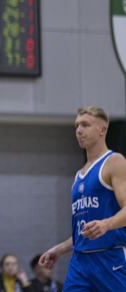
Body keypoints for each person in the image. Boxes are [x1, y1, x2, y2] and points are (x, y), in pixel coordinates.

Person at [39, 107, 126, 292]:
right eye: (77, 125)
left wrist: (107, 224)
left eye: (85, 125)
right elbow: (84, 232)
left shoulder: (114, 161)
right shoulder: (79, 175)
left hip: (109, 258)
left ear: (102, 130)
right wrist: (59, 249)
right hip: (79, 262)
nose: (79, 130)